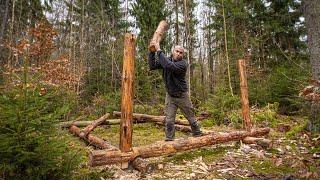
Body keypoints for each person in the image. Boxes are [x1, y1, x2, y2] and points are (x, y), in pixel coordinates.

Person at [148, 43, 203, 141]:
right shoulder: (167, 60)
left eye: (181, 53)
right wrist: (152, 53)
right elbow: (152, 66)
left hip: (182, 95)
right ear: (173, 52)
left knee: (191, 119)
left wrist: (158, 50)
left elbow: (169, 66)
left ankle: (198, 135)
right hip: (170, 96)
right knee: (169, 121)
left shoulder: (183, 64)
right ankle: (170, 140)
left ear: (183, 55)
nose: (178, 54)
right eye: (177, 51)